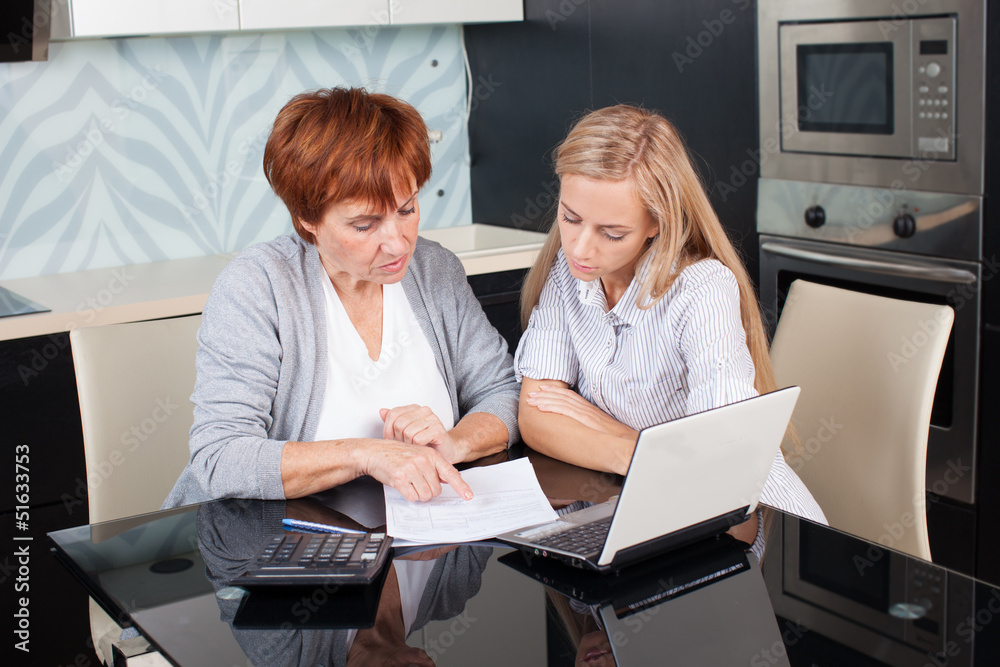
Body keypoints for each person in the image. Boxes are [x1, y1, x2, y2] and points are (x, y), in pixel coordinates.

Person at [164, 87, 519, 508]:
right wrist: (367, 455)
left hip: (412, 538)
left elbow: (504, 391)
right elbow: (221, 458)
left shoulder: (434, 269)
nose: (398, 243)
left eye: (406, 209)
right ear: (307, 217)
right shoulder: (258, 286)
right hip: (271, 549)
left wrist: (455, 443)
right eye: (365, 225)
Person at [514, 104, 826, 530]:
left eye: (611, 233)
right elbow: (536, 418)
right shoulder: (572, 277)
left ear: (657, 224)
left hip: (752, 517)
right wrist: (643, 454)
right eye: (570, 217)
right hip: (652, 505)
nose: (580, 248)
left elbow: (724, 460)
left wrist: (618, 434)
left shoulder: (701, 290)